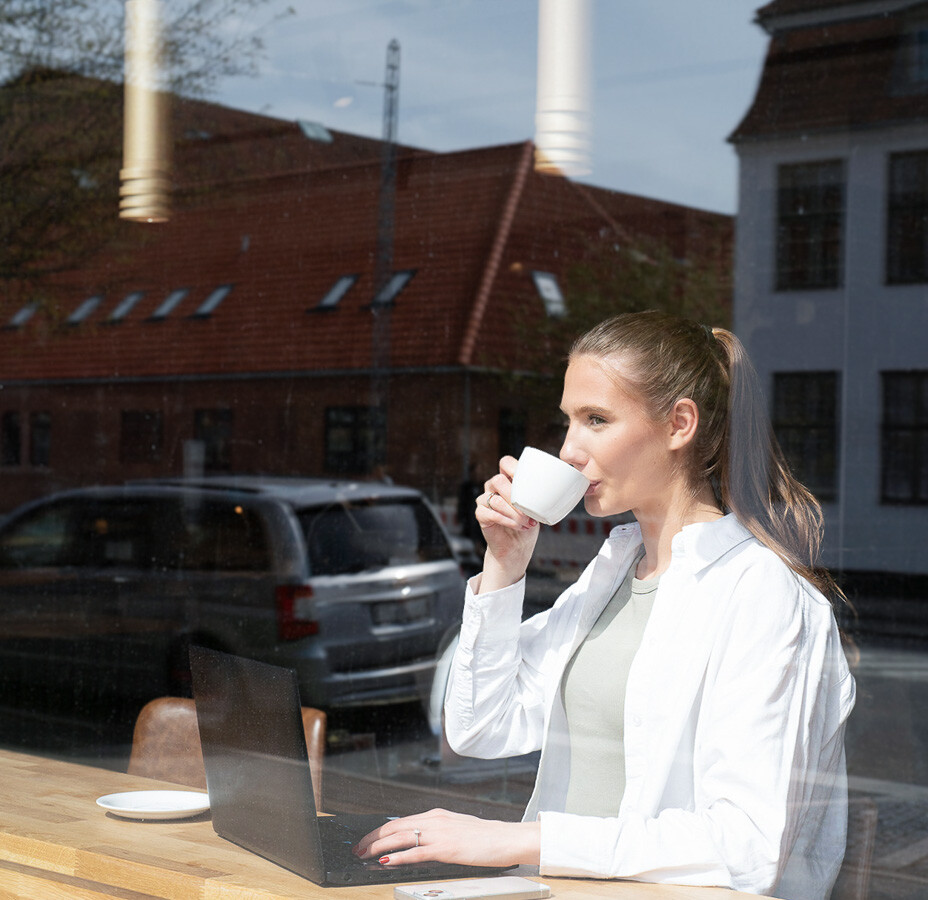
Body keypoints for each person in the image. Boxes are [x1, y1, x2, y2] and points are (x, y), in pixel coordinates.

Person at [354, 311, 856, 897]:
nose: (569, 449)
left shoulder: (760, 593)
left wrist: (520, 841)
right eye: (568, 421)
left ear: (679, 424)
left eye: (597, 420)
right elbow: (478, 728)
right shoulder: (614, 571)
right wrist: (504, 568)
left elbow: (746, 846)